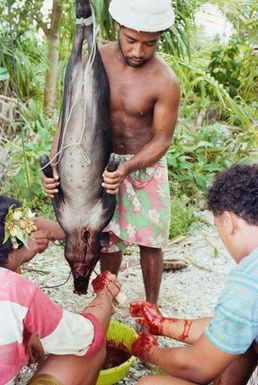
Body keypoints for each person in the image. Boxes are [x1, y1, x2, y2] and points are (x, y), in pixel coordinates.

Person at [41, 0, 180, 305]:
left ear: (160, 37)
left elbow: (162, 140)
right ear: (118, 27)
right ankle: (106, 302)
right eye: (131, 40)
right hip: (97, 165)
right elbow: (69, 119)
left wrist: (129, 166)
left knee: (151, 241)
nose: (138, 51)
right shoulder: (97, 60)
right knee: (106, 241)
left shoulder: (165, 80)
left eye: (150, 44)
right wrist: (54, 168)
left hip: (144, 165)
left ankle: (151, 308)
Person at [128, 164, 258, 385]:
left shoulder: (248, 280)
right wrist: (162, 324)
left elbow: (197, 367)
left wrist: (148, 351)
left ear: (228, 221)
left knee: (148, 384)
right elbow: (232, 326)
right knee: (241, 346)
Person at [0, 194, 121, 385]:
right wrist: (105, 294)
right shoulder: (18, 291)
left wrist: (28, 331)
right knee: (91, 349)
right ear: (16, 243)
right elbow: (87, 337)